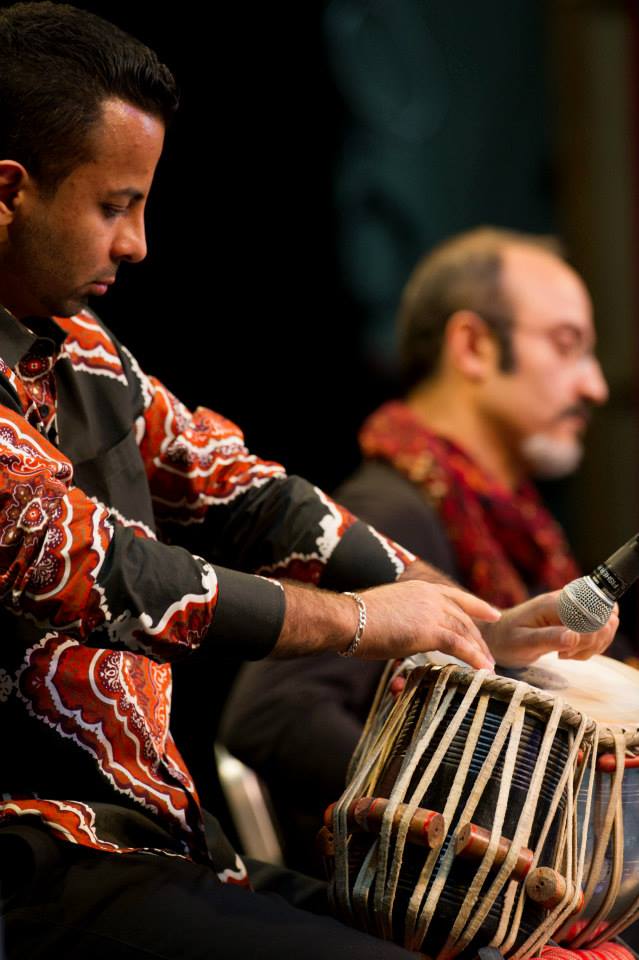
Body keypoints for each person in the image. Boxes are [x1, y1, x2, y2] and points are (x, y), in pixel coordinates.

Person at [0, 9, 616, 957]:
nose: (138, 245)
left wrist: (450, 607)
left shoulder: (84, 354)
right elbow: (111, 573)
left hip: (159, 843)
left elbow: (241, 490)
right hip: (35, 857)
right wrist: (369, 623)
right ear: (9, 192)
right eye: (113, 206)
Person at [221, 228, 615, 874]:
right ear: (473, 346)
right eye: (567, 346)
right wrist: (471, 820)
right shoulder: (392, 513)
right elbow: (270, 714)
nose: (594, 387)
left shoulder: (516, 529)